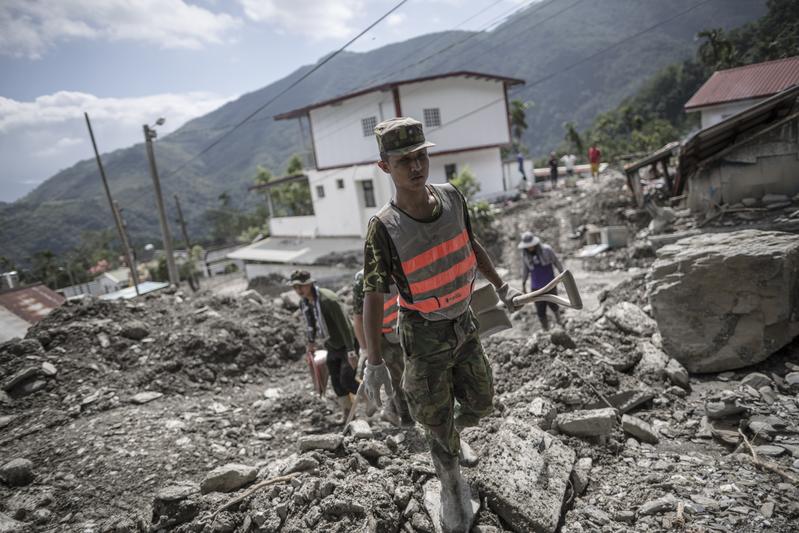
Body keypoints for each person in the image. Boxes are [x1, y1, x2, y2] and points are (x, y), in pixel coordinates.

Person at [360, 117, 521, 533]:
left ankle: (452, 432)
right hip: (423, 331)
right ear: (385, 168)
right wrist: (374, 361)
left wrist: (501, 286)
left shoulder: (452, 198)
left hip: (463, 322)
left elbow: (471, 244)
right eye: (403, 162)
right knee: (432, 415)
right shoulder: (383, 227)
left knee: (482, 400)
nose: (415, 167)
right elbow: (373, 294)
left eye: (421, 157)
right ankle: (451, 486)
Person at [291, 270, 359, 420]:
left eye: (301, 286)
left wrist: (351, 351)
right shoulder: (305, 303)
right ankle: (348, 413)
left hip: (348, 342)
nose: (299, 290)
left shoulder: (328, 300)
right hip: (331, 344)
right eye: (295, 287)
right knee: (336, 381)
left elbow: (345, 326)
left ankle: (370, 399)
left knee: (347, 379)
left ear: (310, 284)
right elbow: (311, 324)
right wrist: (311, 342)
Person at [352, 269, 412, 426]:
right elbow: (358, 317)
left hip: (407, 327)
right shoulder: (362, 279)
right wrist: (365, 349)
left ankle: (392, 410)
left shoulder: (403, 266)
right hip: (383, 335)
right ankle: (406, 418)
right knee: (397, 376)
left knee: (411, 372)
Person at [519, 231, 564, 331]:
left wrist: (563, 275)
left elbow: (556, 262)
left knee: (553, 304)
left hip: (550, 283)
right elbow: (525, 270)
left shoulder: (547, 250)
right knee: (540, 309)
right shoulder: (525, 256)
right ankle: (545, 329)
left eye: (531, 245)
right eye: (528, 246)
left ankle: (559, 323)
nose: (530, 248)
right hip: (536, 286)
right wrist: (523, 284)